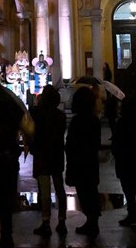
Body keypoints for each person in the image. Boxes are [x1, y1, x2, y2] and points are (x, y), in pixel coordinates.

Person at [0, 91, 34, 248]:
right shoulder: (14, 115)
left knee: (1, 201)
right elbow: (29, 132)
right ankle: (7, 236)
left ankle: (5, 237)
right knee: (7, 200)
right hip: (11, 162)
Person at [30, 84, 67, 236]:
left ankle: (46, 222)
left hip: (42, 155)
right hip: (56, 155)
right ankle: (62, 221)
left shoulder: (37, 114)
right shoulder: (61, 116)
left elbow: (32, 132)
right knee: (60, 189)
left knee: (44, 191)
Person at [65, 85, 102, 238]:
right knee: (91, 191)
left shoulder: (77, 121)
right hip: (90, 162)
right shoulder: (94, 120)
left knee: (85, 192)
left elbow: (71, 143)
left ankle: (91, 222)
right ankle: (93, 221)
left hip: (79, 162)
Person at [112, 95, 136, 226]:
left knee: (128, 187)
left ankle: (132, 213)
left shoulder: (122, 122)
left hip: (124, 159)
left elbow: (118, 142)